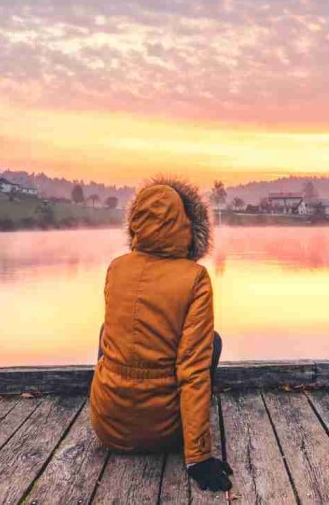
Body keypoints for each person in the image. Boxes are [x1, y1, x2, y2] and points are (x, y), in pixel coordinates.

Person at [89, 177, 233, 493]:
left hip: (107, 428)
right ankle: (187, 433)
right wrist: (198, 457)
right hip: (164, 433)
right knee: (212, 342)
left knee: (106, 332)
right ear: (189, 224)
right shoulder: (195, 277)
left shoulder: (116, 268)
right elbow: (193, 370)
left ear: (135, 222)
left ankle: (115, 406)